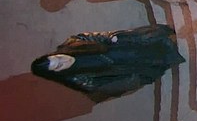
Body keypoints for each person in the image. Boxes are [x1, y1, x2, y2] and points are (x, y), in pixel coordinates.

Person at [31, 24, 184, 102]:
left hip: (117, 48)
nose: (63, 60)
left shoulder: (71, 43)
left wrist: (111, 38)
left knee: (145, 40)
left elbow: (95, 37)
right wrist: (135, 79)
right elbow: (111, 85)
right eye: (59, 65)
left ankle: (168, 34)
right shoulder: (79, 79)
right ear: (58, 73)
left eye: (58, 58)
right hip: (122, 66)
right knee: (155, 58)